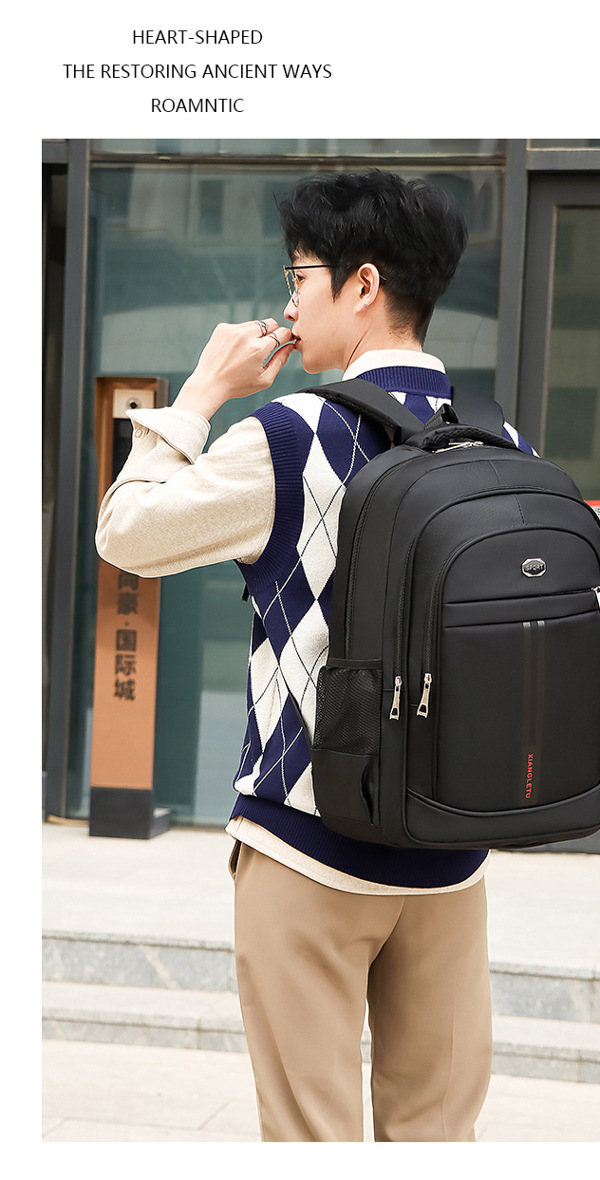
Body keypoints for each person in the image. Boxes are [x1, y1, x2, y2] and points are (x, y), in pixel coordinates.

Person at [96, 169, 536, 1142]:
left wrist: (203, 390)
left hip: (308, 842)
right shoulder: (499, 438)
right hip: (450, 854)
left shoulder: (294, 435)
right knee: (436, 1138)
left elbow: (125, 534)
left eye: (300, 276)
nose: (289, 302)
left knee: (310, 1138)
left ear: (363, 284)